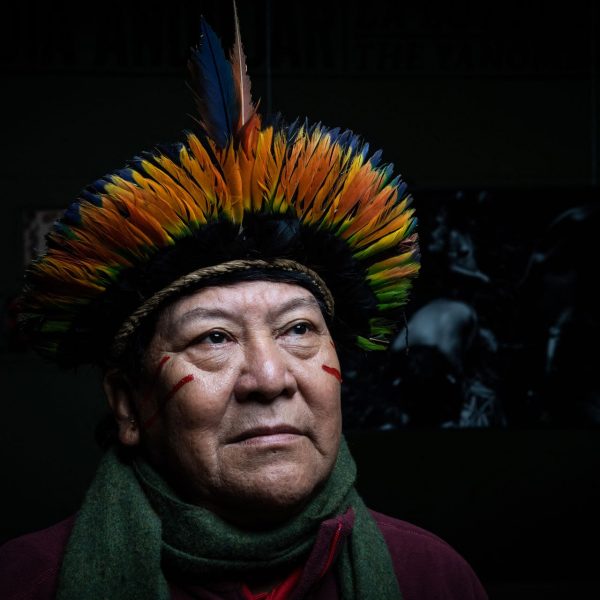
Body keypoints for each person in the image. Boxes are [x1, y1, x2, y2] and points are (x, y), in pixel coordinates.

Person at [0, 9, 488, 600]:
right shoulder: (24, 584)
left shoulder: (432, 579)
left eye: (298, 329)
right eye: (214, 338)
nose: (270, 378)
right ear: (127, 404)